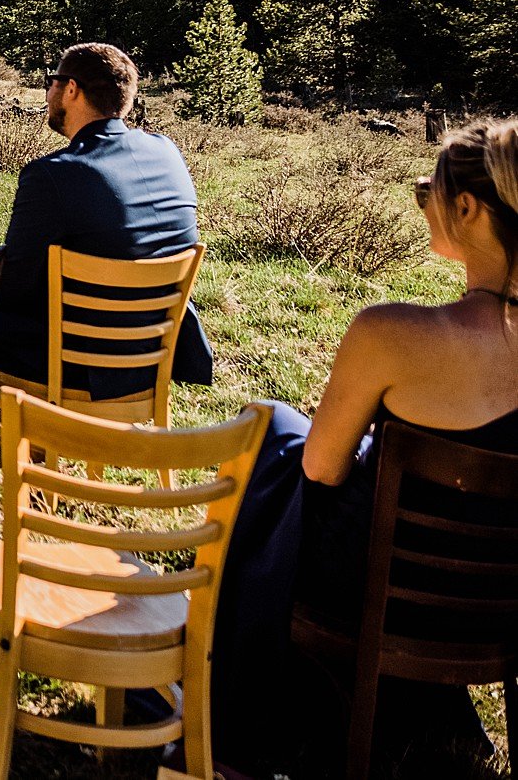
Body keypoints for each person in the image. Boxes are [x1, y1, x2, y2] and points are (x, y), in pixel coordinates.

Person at [208, 120, 518, 777]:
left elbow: (321, 468)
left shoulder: (392, 333)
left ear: (466, 207)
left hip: (384, 590)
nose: (421, 199)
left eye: (424, 189)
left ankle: (233, 712)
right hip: (496, 609)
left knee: (273, 441)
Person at [0, 41, 212, 394]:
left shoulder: (53, 174)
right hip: (152, 357)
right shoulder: (167, 152)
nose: (48, 92)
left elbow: (9, 287)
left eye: (52, 81)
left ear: (71, 88)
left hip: (77, 364)